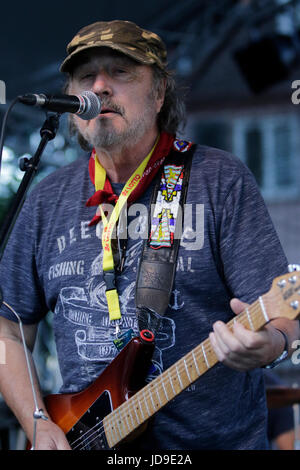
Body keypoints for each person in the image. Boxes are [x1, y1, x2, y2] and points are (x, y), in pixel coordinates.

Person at [0, 19, 299, 451]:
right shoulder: (47, 199)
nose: (99, 86)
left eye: (120, 72)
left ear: (159, 93)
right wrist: (36, 421)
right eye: (86, 76)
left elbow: (281, 312)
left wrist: (271, 343)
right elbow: (8, 328)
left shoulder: (220, 179)